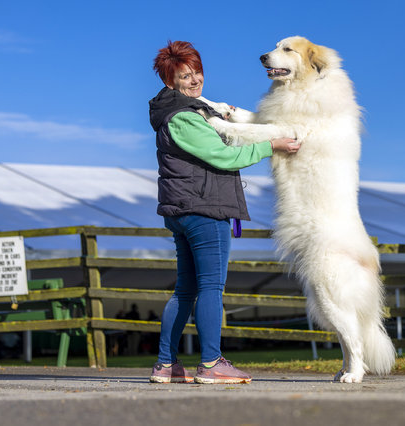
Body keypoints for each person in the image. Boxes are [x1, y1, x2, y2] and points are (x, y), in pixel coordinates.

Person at [148, 40, 299, 384]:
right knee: (212, 287)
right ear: (169, 81)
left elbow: (218, 144)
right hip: (203, 208)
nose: (194, 80)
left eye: (197, 72)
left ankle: (165, 365)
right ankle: (212, 363)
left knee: (186, 289)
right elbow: (224, 157)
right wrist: (270, 145)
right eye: (184, 76)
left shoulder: (185, 112)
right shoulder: (184, 116)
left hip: (184, 208)